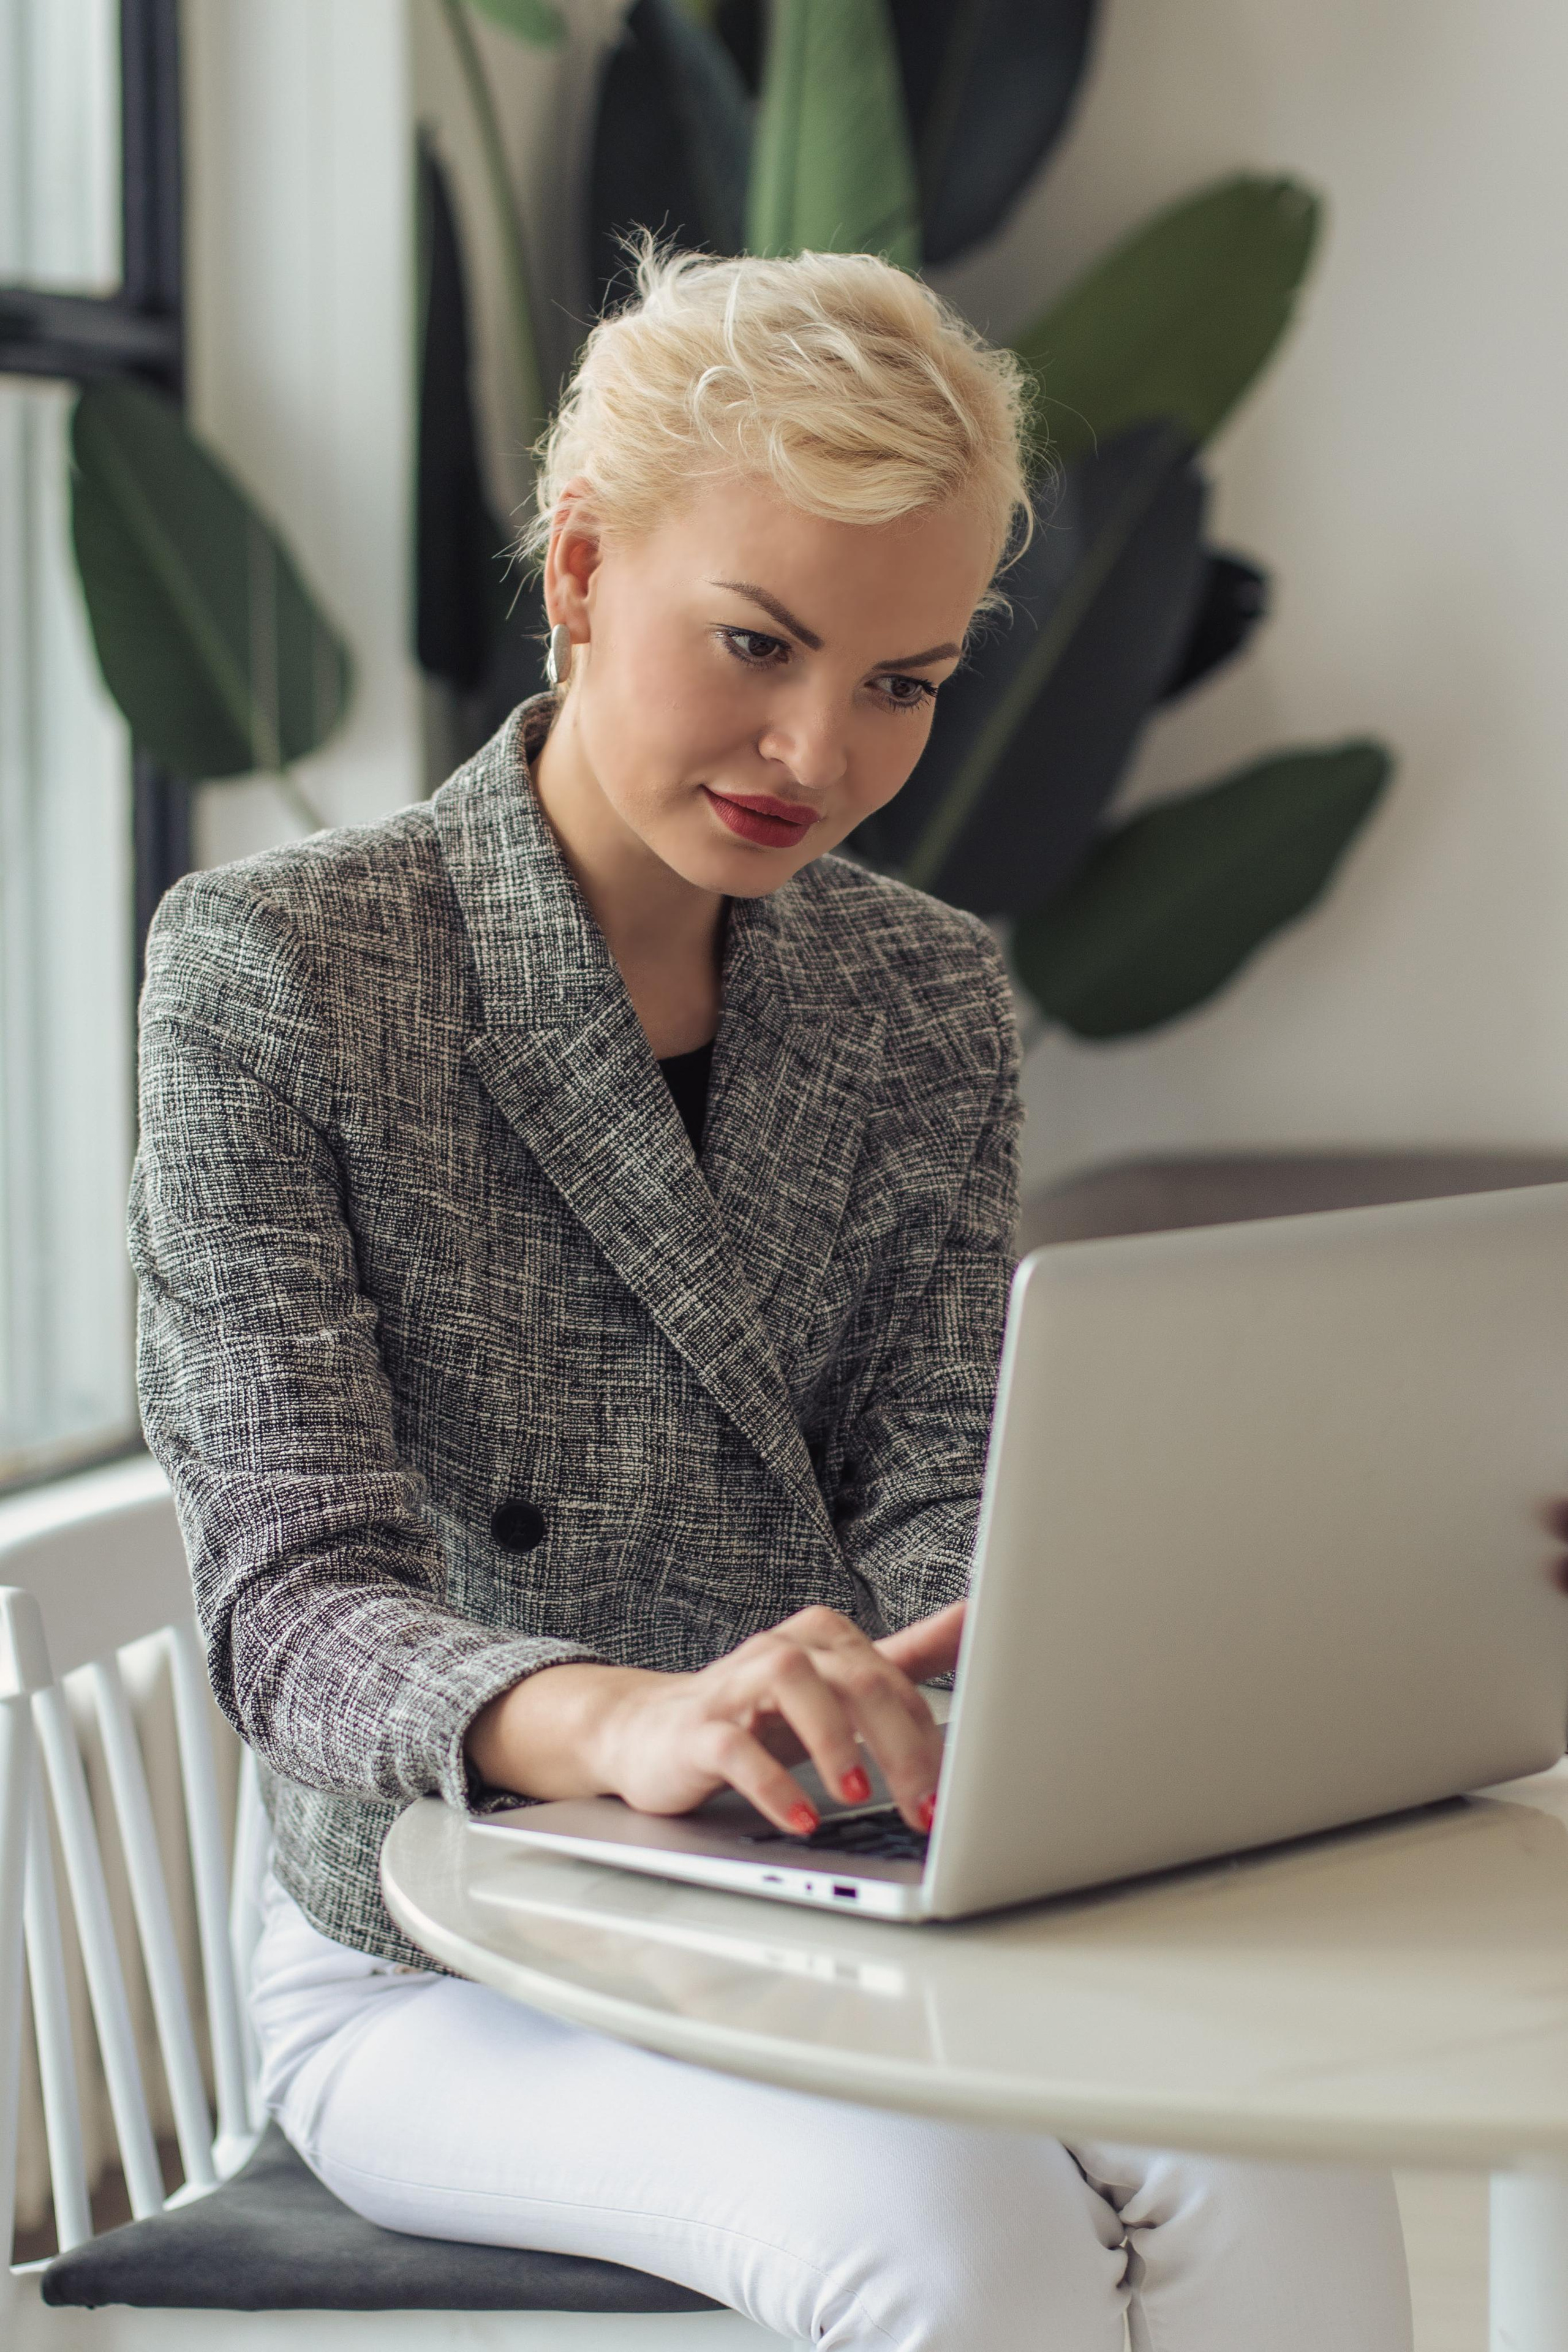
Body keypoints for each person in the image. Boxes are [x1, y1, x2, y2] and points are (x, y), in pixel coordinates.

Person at [130, 245, 1412, 2350]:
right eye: (757, 642)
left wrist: (1039, 1635)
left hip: (848, 1882)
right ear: (579, 568)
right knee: (960, 2240)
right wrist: (631, 1720)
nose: (816, 749)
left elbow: (932, 1486)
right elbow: (292, 1606)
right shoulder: (282, 973)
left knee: (1281, 2159)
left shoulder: (922, 995)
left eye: (903, 683)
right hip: (456, 1947)